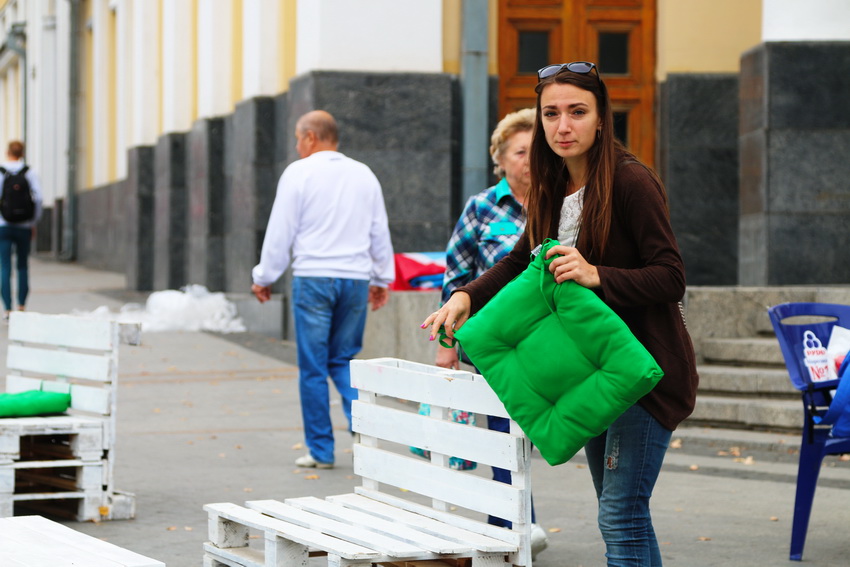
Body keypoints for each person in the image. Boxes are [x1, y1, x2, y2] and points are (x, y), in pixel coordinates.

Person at [423, 62, 699, 566]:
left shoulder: (632, 182)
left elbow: (671, 276)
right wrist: (464, 295)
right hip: (585, 370)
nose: (562, 126)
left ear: (600, 119)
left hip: (641, 372)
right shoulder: (551, 185)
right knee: (622, 513)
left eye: (576, 112)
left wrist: (597, 274)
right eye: (551, 114)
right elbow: (519, 259)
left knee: (621, 515)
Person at [434, 108, 548, 558]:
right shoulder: (482, 208)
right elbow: (455, 278)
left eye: (534, 152)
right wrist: (447, 345)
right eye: (520, 152)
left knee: (523, 432)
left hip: (546, 340)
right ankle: (521, 523)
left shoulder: (558, 202)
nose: (528, 160)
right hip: (492, 343)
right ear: (500, 159)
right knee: (504, 431)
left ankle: (504, 522)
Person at [252, 110, 395, 469]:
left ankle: (321, 451)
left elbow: (280, 229)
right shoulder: (364, 174)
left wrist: (264, 275)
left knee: (313, 367)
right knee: (344, 361)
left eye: (299, 139)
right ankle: (367, 438)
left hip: (314, 279)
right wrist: (381, 278)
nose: (297, 146)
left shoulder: (299, 173)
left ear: (311, 137)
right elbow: (379, 229)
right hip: (355, 280)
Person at [0, 140, 43, 319]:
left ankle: (8, 309)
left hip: (3, 225)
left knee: (4, 266)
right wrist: (33, 221)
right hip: (24, 226)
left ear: (7, 152)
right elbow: (39, 198)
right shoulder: (29, 172)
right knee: (23, 266)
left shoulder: (1, 172)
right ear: (22, 153)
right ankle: (22, 306)